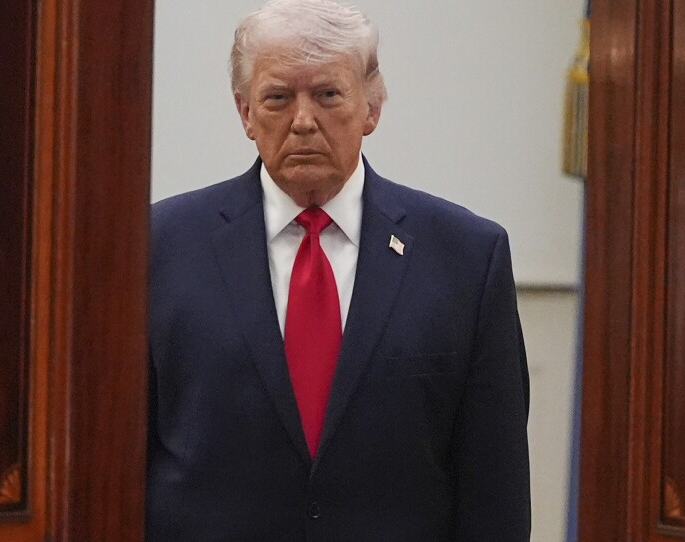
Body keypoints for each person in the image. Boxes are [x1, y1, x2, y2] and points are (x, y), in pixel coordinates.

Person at [148, 0, 530, 539]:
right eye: (278, 97)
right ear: (245, 113)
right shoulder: (159, 247)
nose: (303, 121)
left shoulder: (466, 257)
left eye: (328, 94)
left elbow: (496, 485)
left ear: (372, 108)